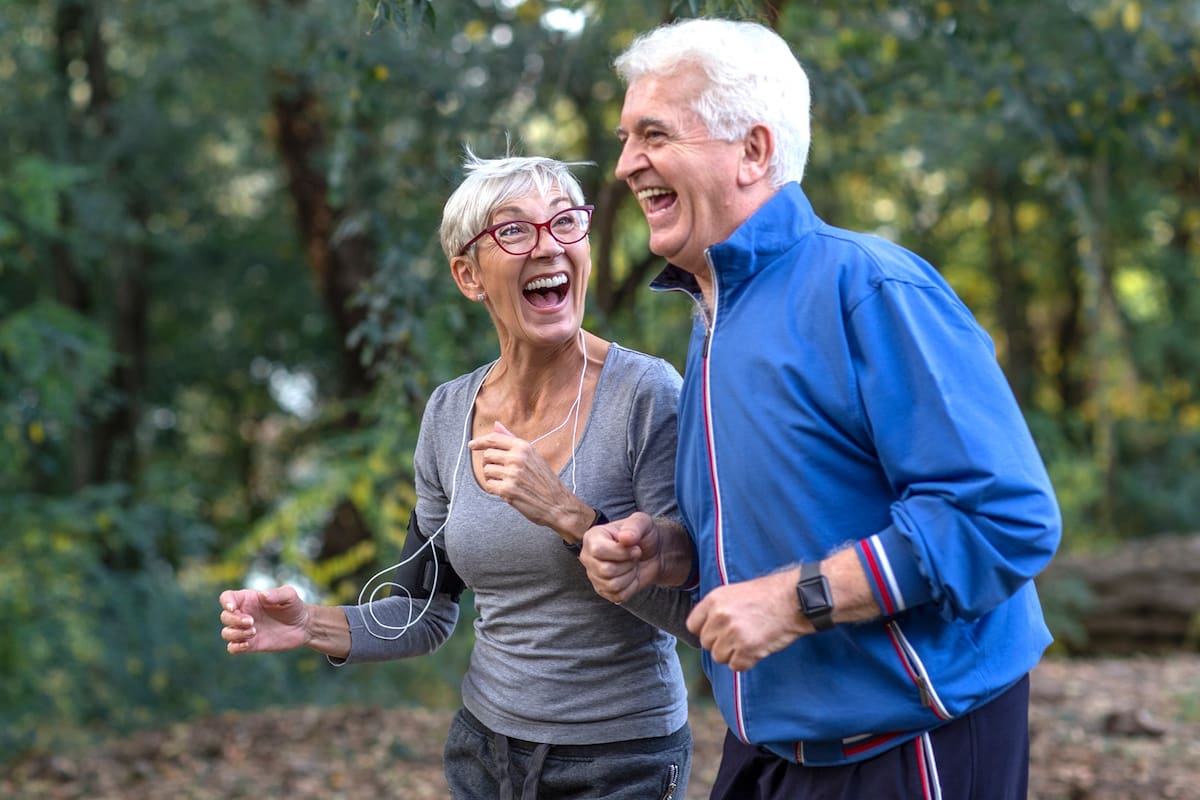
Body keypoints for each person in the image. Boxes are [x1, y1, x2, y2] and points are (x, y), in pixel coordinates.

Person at [580, 18, 1062, 800]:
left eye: (655, 134)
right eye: (627, 137)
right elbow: (807, 514)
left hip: (910, 741)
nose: (627, 162)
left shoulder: (868, 287)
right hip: (773, 749)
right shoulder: (713, 314)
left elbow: (1002, 517)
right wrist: (678, 552)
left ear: (753, 151)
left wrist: (794, 600)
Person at [219, 151, 695, 800]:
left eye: (565, 222)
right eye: (514, 230)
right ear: (469, 276)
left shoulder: (646, 394)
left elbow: (691, 607)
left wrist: (570, 517)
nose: (548, 245)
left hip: (622, 760)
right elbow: (423, 610)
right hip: (484, 754)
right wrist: (311, 625)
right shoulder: (449, 413)